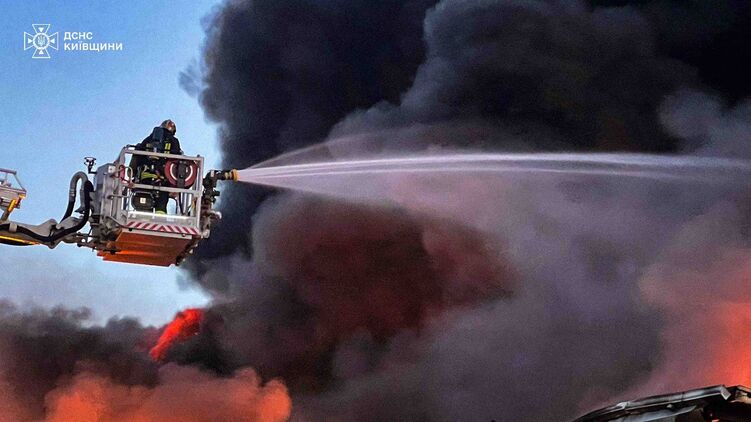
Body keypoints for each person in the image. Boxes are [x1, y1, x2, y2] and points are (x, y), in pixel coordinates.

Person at [130, 119, 183, 214]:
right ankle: (160, 220)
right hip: (163, 181)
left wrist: (132, 176)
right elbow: (178, 162)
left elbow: (135, 160)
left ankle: (144, 219)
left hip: (144, 180)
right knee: (161, 207)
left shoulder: (147, 140)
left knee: (144, 207)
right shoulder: (174, 141)